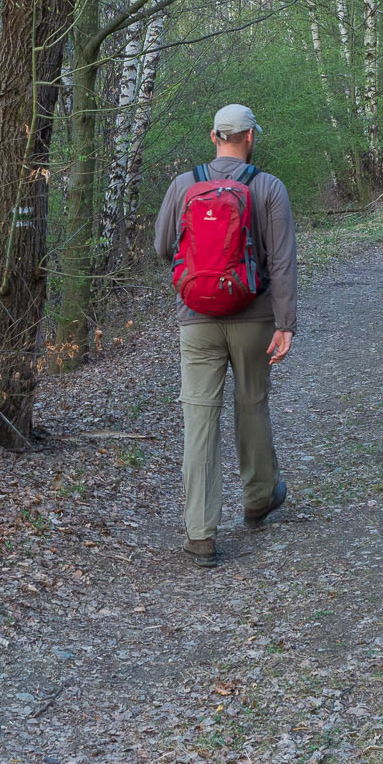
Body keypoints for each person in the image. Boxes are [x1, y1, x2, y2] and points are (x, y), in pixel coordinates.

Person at [154, 104, 297, 567]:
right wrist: (285, 323)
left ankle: (200, 534)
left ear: (213, 136)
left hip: (195, 319)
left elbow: (161, 247)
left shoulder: (183, 185)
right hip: (254, 316)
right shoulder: (269, 187)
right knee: (251, 403)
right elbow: (281, 262)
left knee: (199, 418)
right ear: (250, 137)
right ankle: (257, 500)